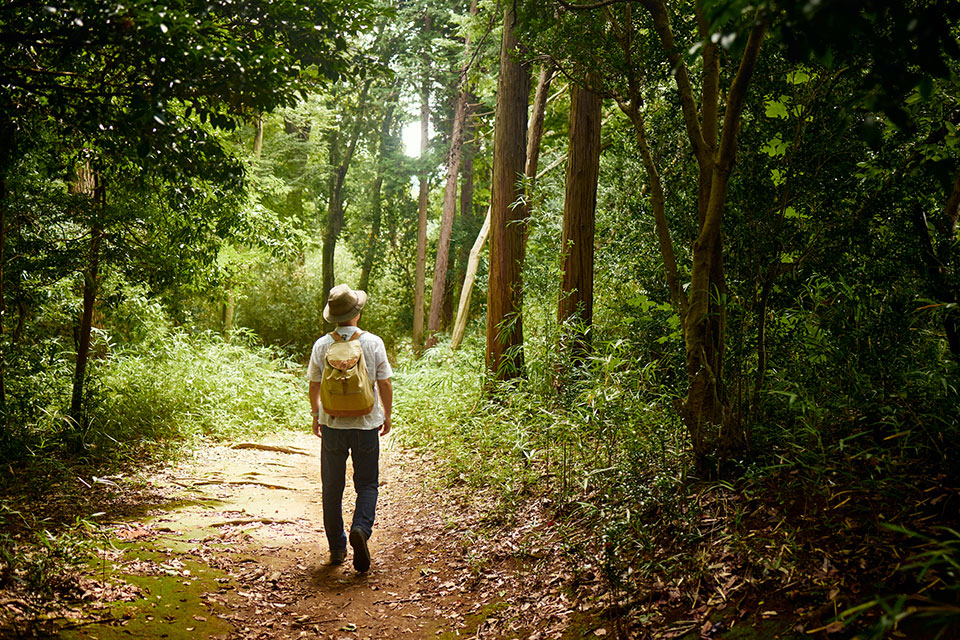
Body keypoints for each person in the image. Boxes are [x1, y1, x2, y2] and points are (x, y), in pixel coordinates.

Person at [307, 284, 393, 572]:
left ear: (334, 315)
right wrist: (387, 416)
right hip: (366, 423)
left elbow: (315, 384)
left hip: (332, 423)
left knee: (332, 486)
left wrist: (316, 414)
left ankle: (336, 549)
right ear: (356, 313)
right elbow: (384, 382)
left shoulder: (322, 345)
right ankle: (361, 529)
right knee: (367, 483)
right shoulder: (373, 342)